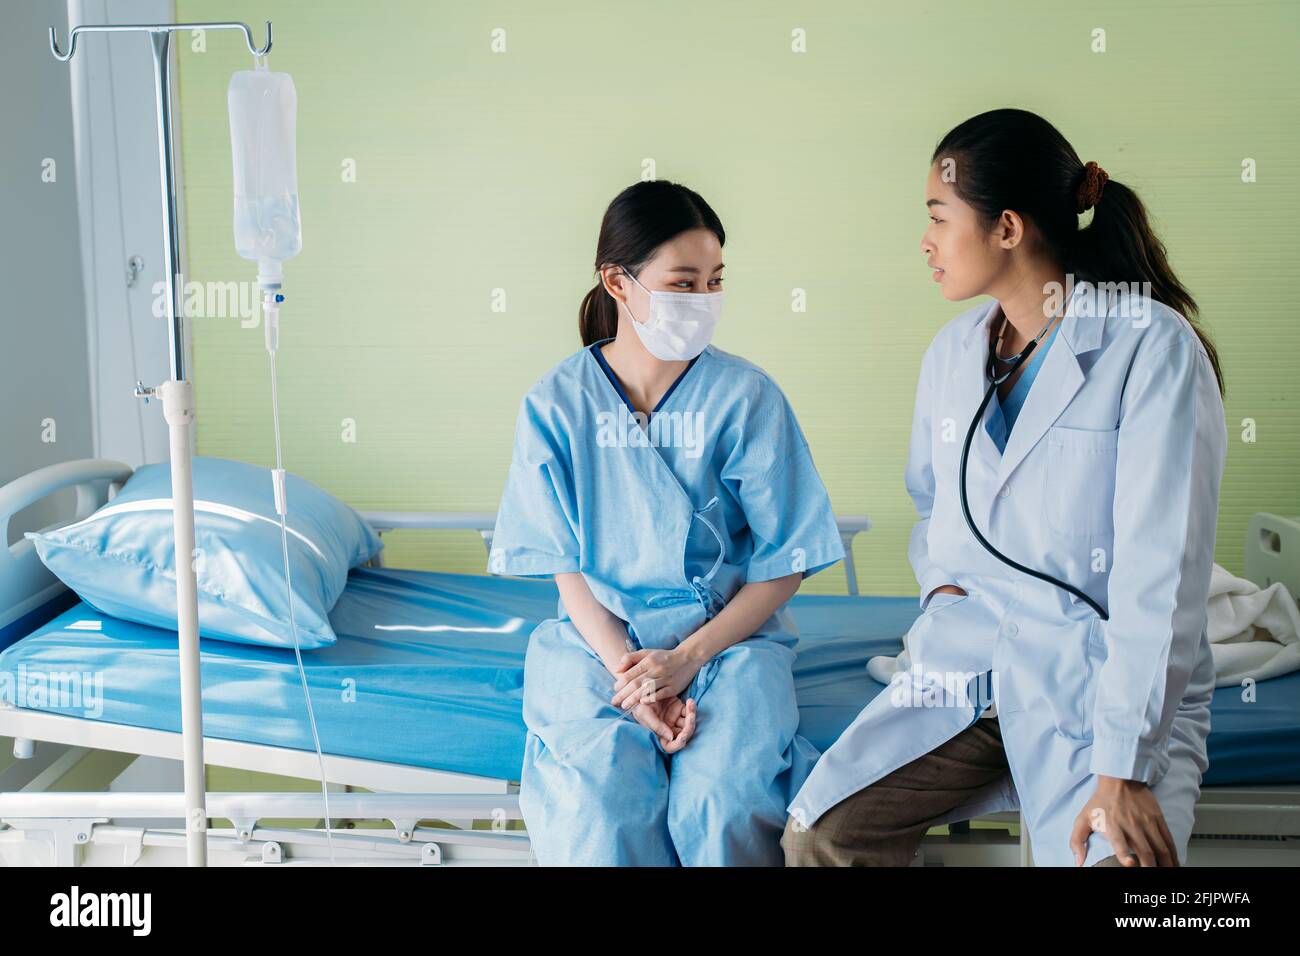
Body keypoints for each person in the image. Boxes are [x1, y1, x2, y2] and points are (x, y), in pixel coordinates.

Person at [783, 108, 1227, 868]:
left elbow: (1163, 573)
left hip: (1102, 680)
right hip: (973, 664)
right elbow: (934, 504)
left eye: (938, 216)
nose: (925, 240)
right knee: (823, 835)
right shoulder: (953, 354)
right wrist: (942, 591)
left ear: (1008, 229)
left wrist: (1123, 769)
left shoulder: (1150, 347)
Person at [489, 180, 844, 865]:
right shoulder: (557, 405)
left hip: (731, 643)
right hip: (599, 645)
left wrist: (686, 660)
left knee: (724, 802)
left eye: (715, 281)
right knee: (600, 805)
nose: (704, 300)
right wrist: (635, 680)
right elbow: (564, 566)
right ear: (616, 283)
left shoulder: (746, 398)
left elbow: (785, 561)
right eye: (683, 283)